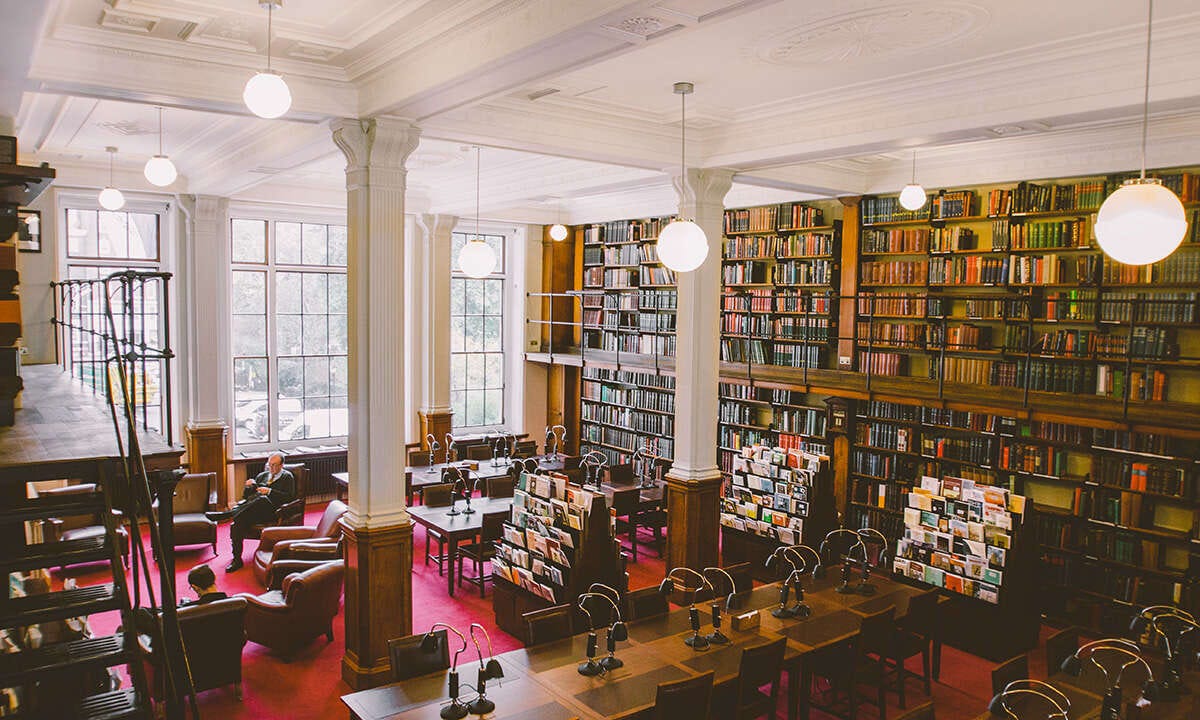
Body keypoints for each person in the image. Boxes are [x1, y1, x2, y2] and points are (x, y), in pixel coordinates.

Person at [206, 451, 296, 572]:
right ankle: (237, 560)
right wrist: (248, 487)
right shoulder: (262, 475)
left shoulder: (287, 477)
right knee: (238, 522)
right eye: (270, 465)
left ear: (282, 465)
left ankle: (228, 514)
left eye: (275, 465)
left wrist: (270, 491)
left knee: (262, 499)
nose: (271, 468)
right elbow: (247, 497)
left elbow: (290, 497)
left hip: (273, 511)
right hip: (255, 511)